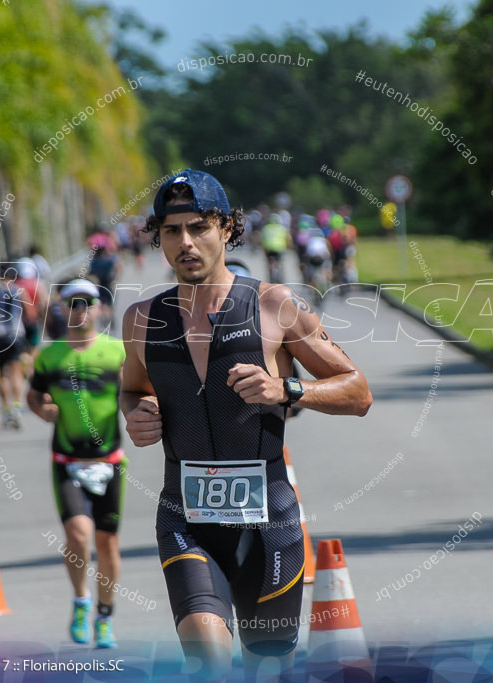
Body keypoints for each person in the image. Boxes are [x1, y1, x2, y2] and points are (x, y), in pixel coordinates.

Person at [120, 169, 372, 681]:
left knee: (267, 671)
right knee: (208, 661)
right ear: (158, 237)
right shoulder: (141, 319)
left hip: (269, 526)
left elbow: (357, 390)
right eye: (172, 230)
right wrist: (136, 413)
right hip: (185, 520)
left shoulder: (275, 306)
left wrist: (288, 389)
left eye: (199, 227)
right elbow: (132, 388)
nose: (185, 242)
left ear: (228, 230)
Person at [27, 279, 128, 648]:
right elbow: (33, 396)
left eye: (87, 303)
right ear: (63, 309)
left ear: (99, 308)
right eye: (72, 304)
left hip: (110, 460)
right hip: (67, 460)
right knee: (78, 535)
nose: (80, 310)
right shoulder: (50, 356)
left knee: (107, 543)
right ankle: (82, 599)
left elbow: (137, 392)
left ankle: (105, 614)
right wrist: (43, 411)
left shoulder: (117, 351)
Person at [0, 264, 27, 428]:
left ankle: (6, 409)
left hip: (0, 337)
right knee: (16, 371)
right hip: (16, 335)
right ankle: (17, 405)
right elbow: (30, 311)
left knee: (2, 373)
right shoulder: (18, 290)